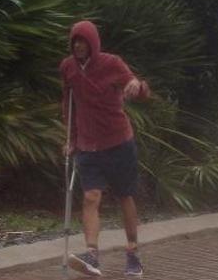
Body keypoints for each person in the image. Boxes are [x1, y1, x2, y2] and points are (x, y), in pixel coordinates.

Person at [61, 20, 150, 277]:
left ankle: (133, 253)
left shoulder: (112, 63)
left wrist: (137, 85)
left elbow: (140, 90)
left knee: (125, 196)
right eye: (75, 41)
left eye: (83, 41)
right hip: (88, 146)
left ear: (93, 43)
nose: (78, 45)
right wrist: (71, 139)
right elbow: (68, 103)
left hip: (118, 141)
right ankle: (92, 255)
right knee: (91, 197)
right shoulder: (67, 68)